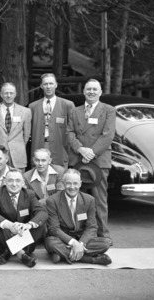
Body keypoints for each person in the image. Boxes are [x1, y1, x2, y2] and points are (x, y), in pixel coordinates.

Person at [66, 79, 116, 243]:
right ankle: (80, 233)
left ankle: (103, 234)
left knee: (99, 199)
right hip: (78, 158)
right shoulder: (75, 111)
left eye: (95, 89)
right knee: (78, 200)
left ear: (100, 92)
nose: (91, 92)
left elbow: (108, 135)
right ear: (84, 91)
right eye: (88, 89)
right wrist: (81, 149)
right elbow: (69, 133)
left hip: (99, 160)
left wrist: (91, 152)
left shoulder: (108, 110)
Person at [44, 169, 112, 265]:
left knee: (105, 244)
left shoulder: (89, 200)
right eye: (68, 183)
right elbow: (54, 229)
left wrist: (80, 244)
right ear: (63, 183)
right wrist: (73, 243)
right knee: (50, 243)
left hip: (81, 237)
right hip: (62, 239)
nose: (72, 187)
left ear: (80, 184)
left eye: (75, 183)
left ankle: (61, 255)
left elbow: (91, 227)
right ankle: (91, 259)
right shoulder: (52, 201)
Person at [0, 169, 48, 267]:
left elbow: (42, 212)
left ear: (23, 183)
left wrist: (28, 225)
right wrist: (9, 225)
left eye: (18, 181)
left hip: (24, 237)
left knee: (39, 223)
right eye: (10, 180)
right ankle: (21, 254)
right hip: (2, 242)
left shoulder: (29, 194)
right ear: (5, 182)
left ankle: (8, 252)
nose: (14, 184)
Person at [29, 73, 75, 168]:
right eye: (45, 84)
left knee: (59, 177)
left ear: (56, 85)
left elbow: (73, 130)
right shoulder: (32, 106)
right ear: (41, 86)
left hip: (60, 149)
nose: (48, 87)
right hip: (39, 146)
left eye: (51, 83)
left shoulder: (67, 105)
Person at [0, 82, 31, 172]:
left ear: (15, 94)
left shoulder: (26, 112)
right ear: (1, 94)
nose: (9, 95)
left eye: (11, 93)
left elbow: (26, 136)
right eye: (6, 93)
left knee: (18, 182)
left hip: (18, 155)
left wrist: (18, 145)